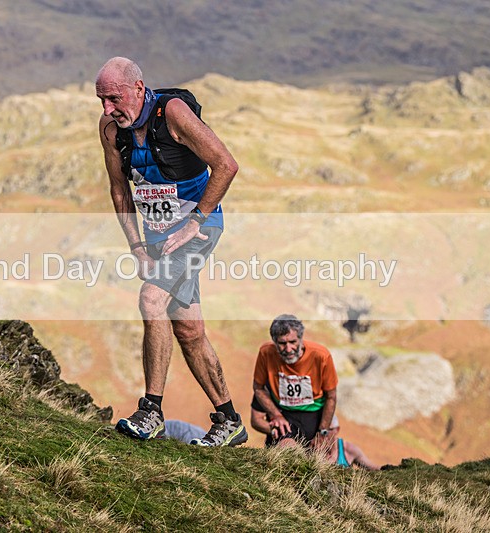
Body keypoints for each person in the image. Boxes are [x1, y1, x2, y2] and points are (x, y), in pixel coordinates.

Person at [95, 57, 246, 447]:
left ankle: (151, 411)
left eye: (114, 98)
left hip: (197, 233)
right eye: (101, 100)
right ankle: (229, 420)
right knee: (189, 329)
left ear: (139, 88)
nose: (108, 109)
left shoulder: (173, 113)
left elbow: (226, 165)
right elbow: (118, 189)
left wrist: (197, 219)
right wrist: (137, 245)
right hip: (158, 239)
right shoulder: (111, 129)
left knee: (151, 299)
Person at [251, 314, 338, 449]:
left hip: (315, 415)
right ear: (274, 342)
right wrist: (275, 415)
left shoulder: (321, 356)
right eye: (282, 343)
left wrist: (323, 431)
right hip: (285, 415)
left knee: (323, 458)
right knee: (288, 451)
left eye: (293, 342)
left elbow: (331, 396)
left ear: (301, 339)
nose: (288, 349)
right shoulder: (266, 353)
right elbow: (258, 387)